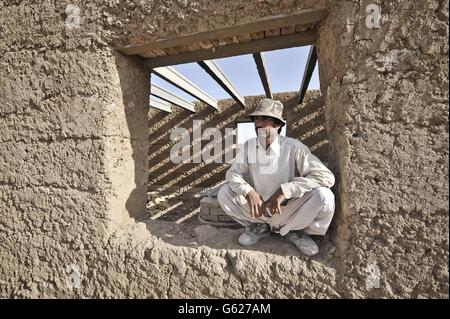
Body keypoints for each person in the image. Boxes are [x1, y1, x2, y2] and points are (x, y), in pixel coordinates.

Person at [217, 98, 335, 256]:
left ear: (278, 124)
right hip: (258, 212)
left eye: (264, 118)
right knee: (224, 193)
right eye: (256, 119)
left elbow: (326, 177)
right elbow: (232, 174)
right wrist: (249, 192)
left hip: (288, 211)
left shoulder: (294, 148)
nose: (258, 122)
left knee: (324, 196)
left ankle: (298, 232)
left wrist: (285, 191)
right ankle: (258, 227)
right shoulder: (248, 147)